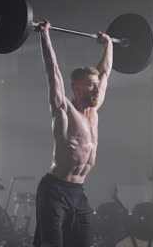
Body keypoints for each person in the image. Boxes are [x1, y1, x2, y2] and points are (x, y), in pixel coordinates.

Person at [33, 19, 113, 247]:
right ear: (77, 88)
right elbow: (53, 72)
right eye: (91, 85)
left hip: (78, 192)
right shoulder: (64, 110)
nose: (97, 88)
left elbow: (106, 72)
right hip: (54, 191)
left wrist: (109, 44)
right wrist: (44, 34)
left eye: (97, 85)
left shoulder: (94, 111)